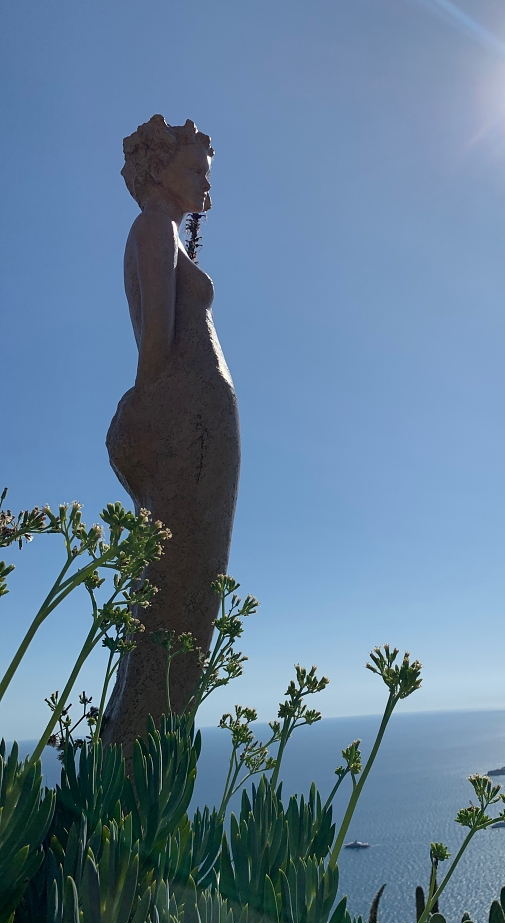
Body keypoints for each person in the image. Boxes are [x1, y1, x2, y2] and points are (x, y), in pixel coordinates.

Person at [103, 115, 240, 749]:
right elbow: (154, 345)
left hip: (195, 420)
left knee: (182, 595)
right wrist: (151, 417)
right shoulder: (154, 228)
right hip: (187, 422)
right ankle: (133, 765)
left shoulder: (164, 232)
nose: (206, 188)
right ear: (159, 169)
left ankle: (136, 759)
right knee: (176, 596)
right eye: (196, 173)